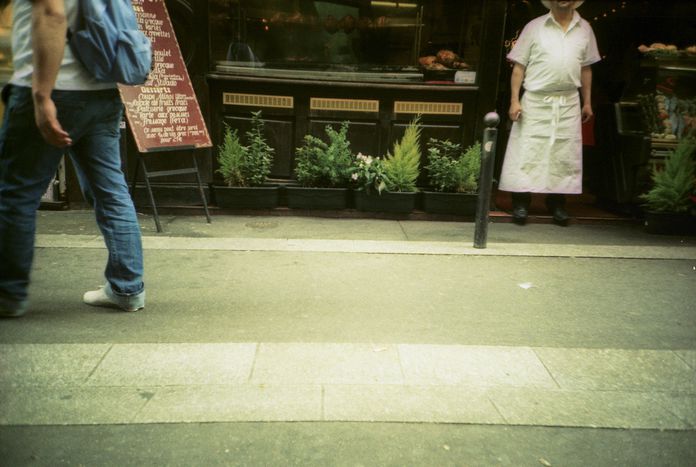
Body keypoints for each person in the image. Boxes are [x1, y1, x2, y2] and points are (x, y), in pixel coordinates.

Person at [0, 0, 145, 317]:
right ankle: (127, 287)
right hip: (102, 89)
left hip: (53, 87)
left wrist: (42, 95)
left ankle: (7, 294)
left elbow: (52, 13)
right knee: (110, 190)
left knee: (17, 193)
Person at [498, 0, 600, 225]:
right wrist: (514, 101)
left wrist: (587, 101)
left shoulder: (585, 29)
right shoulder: (534, 27)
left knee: (562, 154)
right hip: (535, 99)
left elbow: (586, 67)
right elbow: (519, 67)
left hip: (568, 100)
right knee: (527, 150)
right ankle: (521, 202)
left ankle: (557, 204)